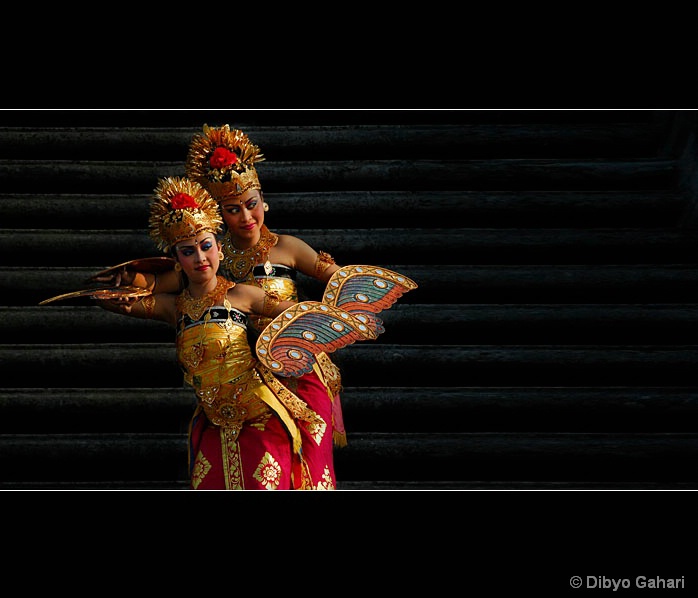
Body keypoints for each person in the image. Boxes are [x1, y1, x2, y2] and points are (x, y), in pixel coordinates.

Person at [95, 124, 349, 484]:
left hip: (296, 365)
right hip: (240, 367)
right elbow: (156, 283)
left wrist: (340, 317)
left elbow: (339, 280)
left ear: (264, 201)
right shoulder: (209, 255)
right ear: (219, 214)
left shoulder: (287, 247)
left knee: (308, 461)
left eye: (251, 205)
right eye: (233, 210)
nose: (246, 218)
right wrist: (130, 279)